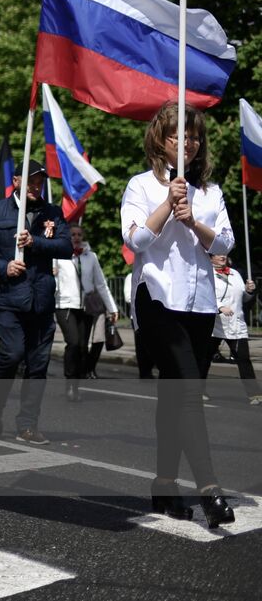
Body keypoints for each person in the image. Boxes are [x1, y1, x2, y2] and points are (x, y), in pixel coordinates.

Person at [123, 103, 236, 527]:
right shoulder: (140, 186)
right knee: (189, 391)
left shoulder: (210, 192)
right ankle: (209, 490)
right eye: (177, 136)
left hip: (200, 303)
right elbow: (136, 240)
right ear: (161, 140)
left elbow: (224, 244)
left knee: (175, 397)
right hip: (156, 298)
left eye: (192, 136)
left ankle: (164, 484)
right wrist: (168, 205)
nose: (187, 142)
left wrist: (194, 223)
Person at [0, 159, 71, 445]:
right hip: (8, 298)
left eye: (40, 181)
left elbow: (65, 247)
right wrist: (4, 267)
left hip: (41, 299)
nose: (36, 186)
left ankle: (27, 423)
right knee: (12, 354)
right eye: (31, 181)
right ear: (16, 181)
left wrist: (35, 243)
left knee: (38, 365)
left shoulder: (51, 212)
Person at [53, 224, 117, 401]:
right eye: (73, 234)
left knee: (82, 347)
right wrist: (53, 274)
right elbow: (50, 280)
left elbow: (101, 283)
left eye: (79, 234)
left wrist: (112, 308)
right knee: (72, 343)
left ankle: (75, 386)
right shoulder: (58, 255)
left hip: (85, 307)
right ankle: (69, 381)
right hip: (65, 305)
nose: (76, 237)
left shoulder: (91, 257)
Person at [205, 254, 259, 403]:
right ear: (210, 258)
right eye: (218, 254)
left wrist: (249, 291)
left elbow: (243, 298)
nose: (223, 256)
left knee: (243, 359)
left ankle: (254, 394)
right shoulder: (205, 272)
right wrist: (220, 307)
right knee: (204, 360)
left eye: (224, 253)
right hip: (214, 325)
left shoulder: (235, 273)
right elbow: (203, 295)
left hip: (236, 324)